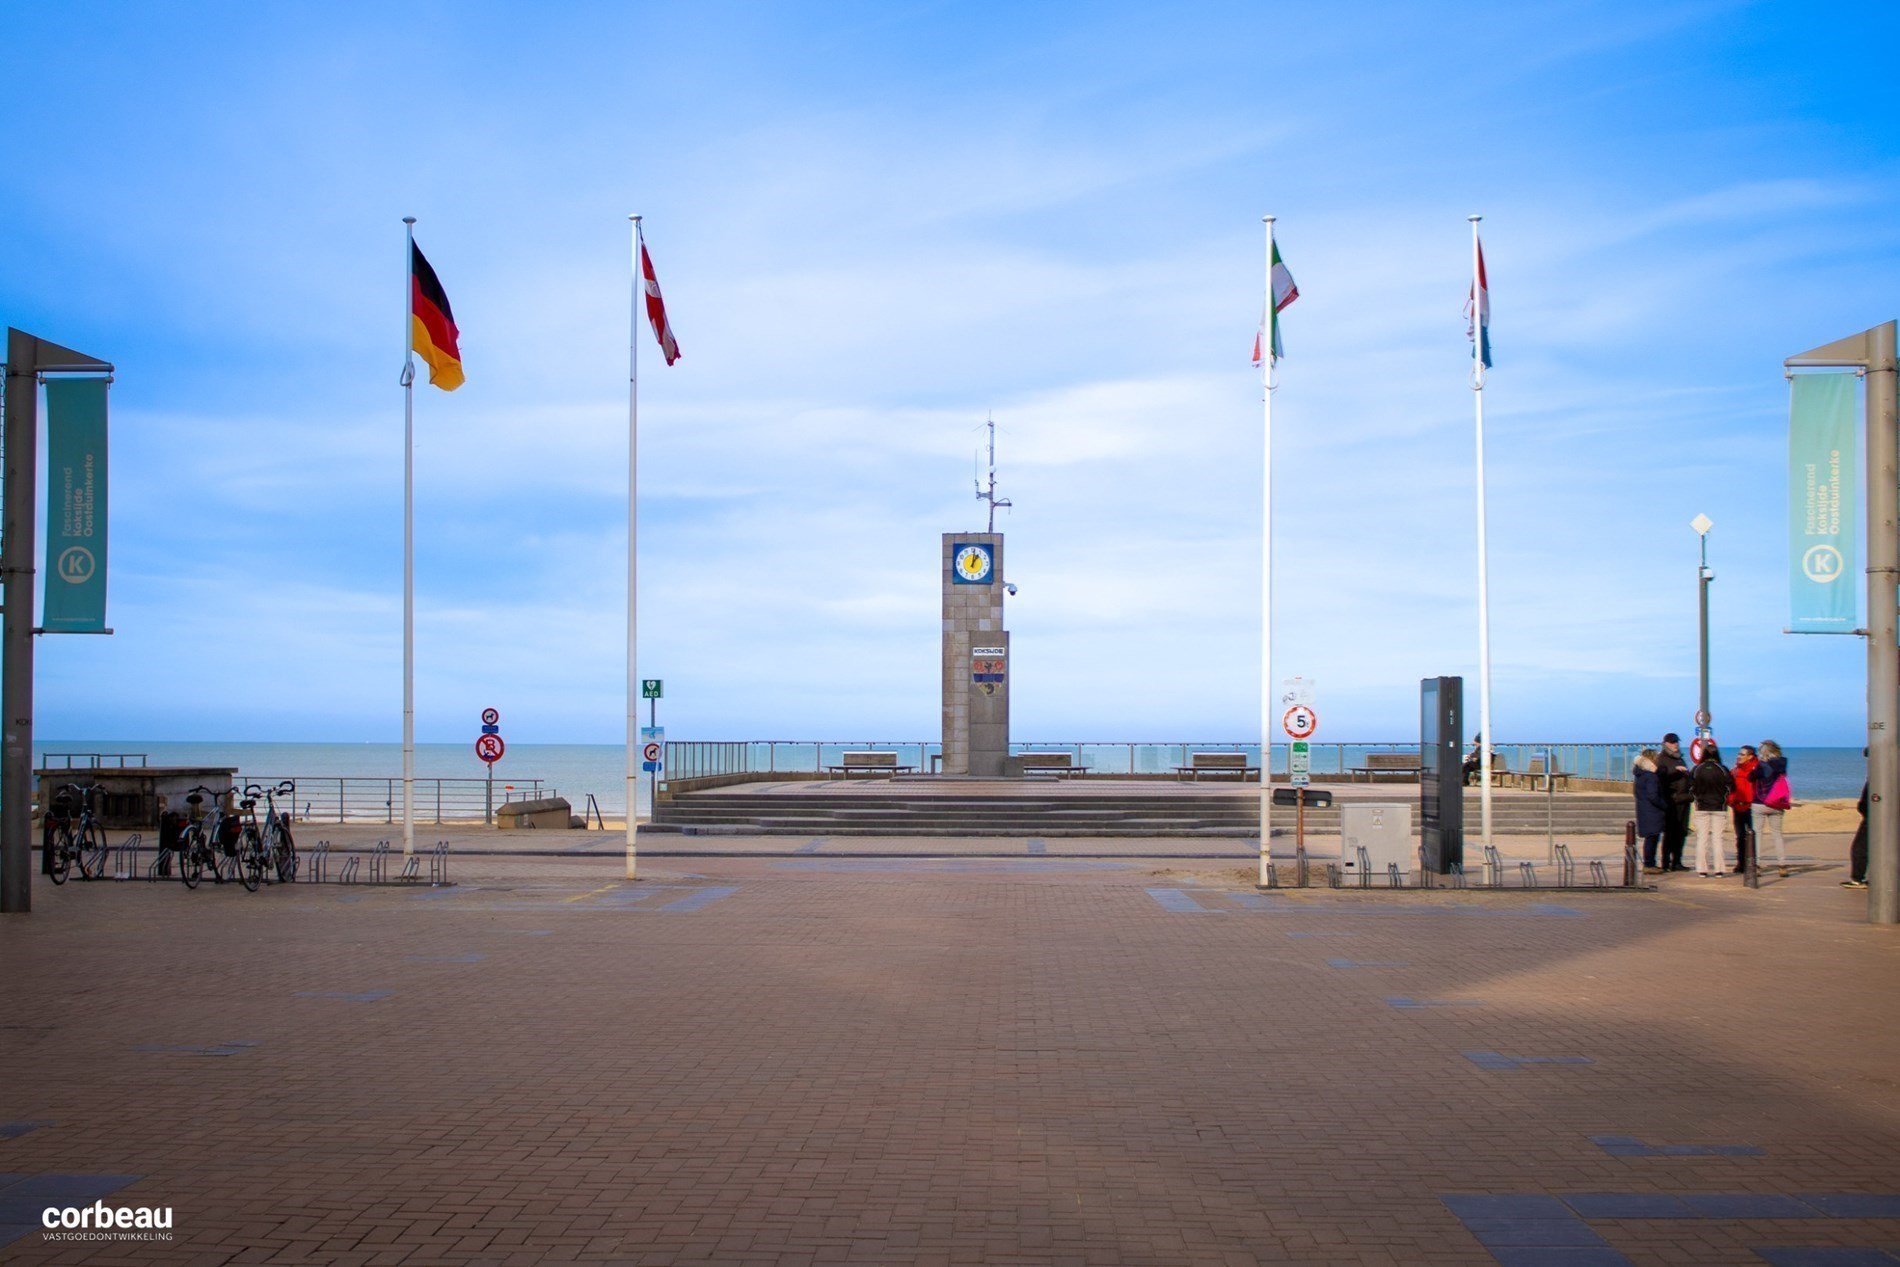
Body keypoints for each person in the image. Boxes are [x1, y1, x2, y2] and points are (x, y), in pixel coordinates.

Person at [1689, 743, 1734, 876]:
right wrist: (1723, 796)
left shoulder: (1697, 769)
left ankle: (1702, 869)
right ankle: (1719, 869)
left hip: (1701, 806)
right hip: (1719, 807)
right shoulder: (1722, 769)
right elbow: (1731, 786)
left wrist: (1697, 796)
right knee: (1717, 839)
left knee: (1702, 838)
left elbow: (1690, 786)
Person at [1751, 739, 1790, 876]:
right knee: (1777, 835)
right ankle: (1782, 864)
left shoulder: (1761, 765)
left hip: (1759, 802)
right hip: (1776, 802)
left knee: (1758, 834)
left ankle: (1756, 865)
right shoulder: (1782, 764)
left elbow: (1751, 777)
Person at [1655, 733, 1691, 871]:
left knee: (1681, 832)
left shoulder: (1679, 758)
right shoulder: (1661, 759)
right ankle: (1666, 861)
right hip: (1671, 801)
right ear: (1665, 744)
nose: (1675, 744)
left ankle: (1677, 860)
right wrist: (1675, 773)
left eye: (1676, 742)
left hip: (1684, 800)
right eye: (1672, 742)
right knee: (1670, 832)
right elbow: (1661, 779)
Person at [1632, 749, 1668, 869]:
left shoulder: (1639, 774)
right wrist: (1663, 805)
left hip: (1644, 809)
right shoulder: (1651, 776)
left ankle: (1649, 863)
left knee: (1650, 838)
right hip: (1652, 811)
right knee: (1652, 839)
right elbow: (1653, 795)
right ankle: (1649, 864)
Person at [1729, 745, 1759, 876]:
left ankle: (1752, 862)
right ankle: (1741, 863)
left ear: (1750, 756)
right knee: (1740, 837)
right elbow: (1729, 788)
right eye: (1739, 754)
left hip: (1751, 807)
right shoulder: (1734, 771)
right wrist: (1731, 801)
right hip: (1737, 806)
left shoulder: (1757, 769)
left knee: (1751, 836)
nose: (1739, 756)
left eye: (1742, 754)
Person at [1844, 748, 1869, 890]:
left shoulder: (1879, 775)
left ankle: (1858, 878)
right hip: (1872, 814)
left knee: (1860, 847)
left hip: (1872, 816)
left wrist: (1863, 808)